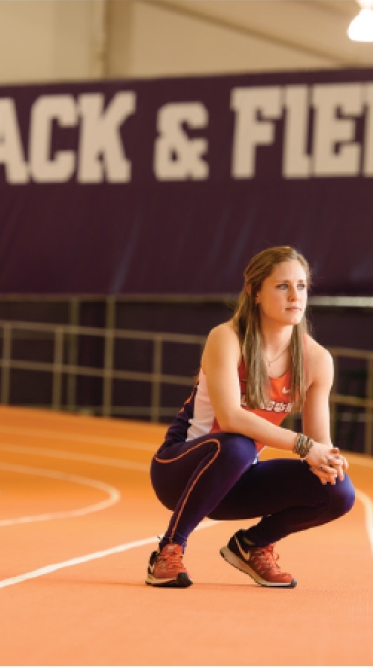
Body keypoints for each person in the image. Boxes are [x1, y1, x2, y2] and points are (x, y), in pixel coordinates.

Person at [145, 246, 354, 589]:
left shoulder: (317, 359)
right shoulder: (226, 338)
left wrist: (328, 460)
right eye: (282, 286)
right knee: (238, 446)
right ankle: (169, 549)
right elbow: (229, 418)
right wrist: (304, 446)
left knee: (337, 490)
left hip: (238, 479)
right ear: (255, 292)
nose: (294, 296)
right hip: (180, 470)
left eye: (301, 286)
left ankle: (253, 545)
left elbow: (321, 443)